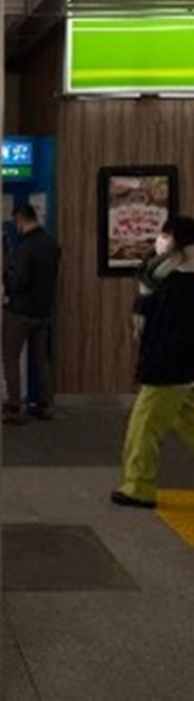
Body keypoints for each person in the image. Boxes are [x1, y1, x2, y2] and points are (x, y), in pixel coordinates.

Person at [111, 215, 194, 509]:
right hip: (180, 368)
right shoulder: (172, 276)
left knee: (143, 427)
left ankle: (138, 488)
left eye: (166, 234)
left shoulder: (177, 282)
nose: (161, 240)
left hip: (168, 367)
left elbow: (162, 328)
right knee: (187, 419)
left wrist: (150, 363)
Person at [2, 203, 60, 424]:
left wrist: (6, 280)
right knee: (41, 359)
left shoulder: (25, 246)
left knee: (10, 358)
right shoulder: (51, 243)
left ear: (20, 219)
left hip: (20, 311)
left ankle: (14, 407)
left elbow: (19, 280)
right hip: (43, 311)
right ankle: (45, 405)